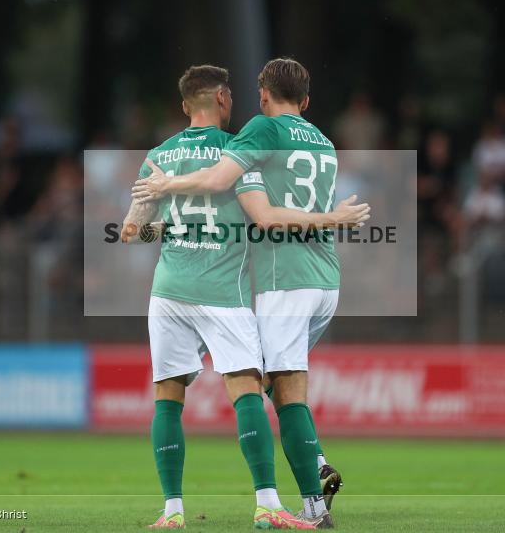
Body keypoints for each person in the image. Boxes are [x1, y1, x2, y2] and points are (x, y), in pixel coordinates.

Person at [122, 65, 367, 529]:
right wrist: (333, 219)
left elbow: (131, 231)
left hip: (173, 290)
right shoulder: (258, 149)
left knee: (169, 396)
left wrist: (172, 219)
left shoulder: (160, 156)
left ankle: (172, 511)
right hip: (253, 287)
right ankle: (276, 497)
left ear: (182, 107)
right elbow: (258, 212)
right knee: (256, 387)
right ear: (221, 100)